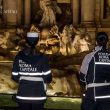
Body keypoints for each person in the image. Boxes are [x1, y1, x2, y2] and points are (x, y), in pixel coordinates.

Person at [11, 32, 52, 110]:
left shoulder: (19, 56)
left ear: (26, 41)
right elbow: (48, 78)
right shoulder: (43, 57)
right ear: (37, 41)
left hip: (23, 94)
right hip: (38, 95)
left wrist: (23, 80)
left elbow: (14, 75)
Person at [79, 32, 110, 110]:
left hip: (92, 96)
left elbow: (82, 77)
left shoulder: (90, 56)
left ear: (96, 42)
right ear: (107, 42)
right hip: (108, 97)